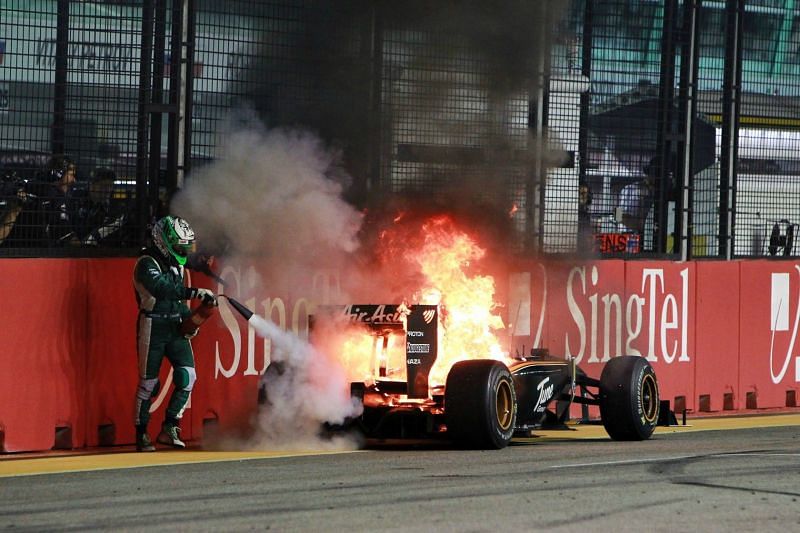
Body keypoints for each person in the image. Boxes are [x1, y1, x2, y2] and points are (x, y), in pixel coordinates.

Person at [132, 215, 218, 452]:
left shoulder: (176, 265)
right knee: (149, 384)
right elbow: (162, 289)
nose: (183, 251)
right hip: (152, 326)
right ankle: (141, 432)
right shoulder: (146, 263)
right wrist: (196, 292)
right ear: (164, 241)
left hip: (174, 324)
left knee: (187, 377)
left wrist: (195, 320)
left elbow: (178, 301)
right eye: (180, 246)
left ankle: (170, 426)